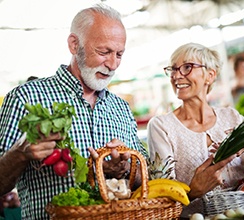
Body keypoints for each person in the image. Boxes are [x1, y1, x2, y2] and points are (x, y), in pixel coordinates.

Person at [0, 4, 147, 219]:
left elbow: (144, 181)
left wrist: (125, 170)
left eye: (119, 54)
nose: (113, 64)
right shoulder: (25, 98)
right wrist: (20, 154)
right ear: (74, 44)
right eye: (104, 52)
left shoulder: (121, 108)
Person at [147, 43, 244, 218]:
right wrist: (193, 191)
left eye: (187, 67)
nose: (176, 75)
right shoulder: (161, 126)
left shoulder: (232, 117)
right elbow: (162, 197)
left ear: (210, 75)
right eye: (173, 69)